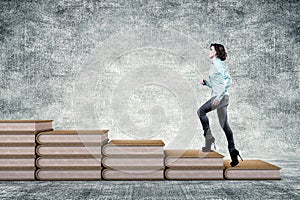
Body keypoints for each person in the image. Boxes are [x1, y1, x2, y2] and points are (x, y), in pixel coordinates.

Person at [197, 43, 243, 167]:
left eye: (211, 50)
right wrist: (206, 83)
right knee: (225, 125)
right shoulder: (214, 65)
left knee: (200, 111)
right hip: (222, 97)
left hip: (220, 98)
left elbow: (228, 80)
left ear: (216, 52)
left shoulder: (218, 63)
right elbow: (217, 84)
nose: (209, 51)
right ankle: (233, 152)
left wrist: (219, 97)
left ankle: (209, 138)